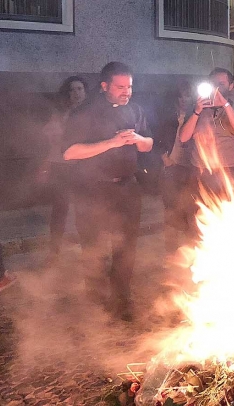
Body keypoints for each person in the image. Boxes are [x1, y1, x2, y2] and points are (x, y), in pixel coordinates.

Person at [62, 62, 154, 321]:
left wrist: (138, 139)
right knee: (93, 246)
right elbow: (70, 152)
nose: (127, 92)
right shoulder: (85, 112)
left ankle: (122, 299)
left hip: (127, 188)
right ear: (104, 87)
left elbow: (149, 144)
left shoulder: (135, 110)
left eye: (130, 87)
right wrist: (111, 143)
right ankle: (95, 299)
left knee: (127, 247)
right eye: (121, 87)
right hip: (92, 190)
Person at [180, 68, 234, 200]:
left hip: (229, 168)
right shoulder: (197, 105)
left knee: (228, 212)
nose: (216, 87)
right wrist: (197, 111)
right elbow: (183, 137)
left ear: (230, 86)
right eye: (213, 84)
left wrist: (225, 104)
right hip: (200, 169)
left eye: (221, 84)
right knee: (199, 212)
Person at [42, 75, 88, 261]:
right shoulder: (61, 113)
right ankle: (54, 251)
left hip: (84, 167)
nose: (76, 93)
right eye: (72, 89)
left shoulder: (92, 112)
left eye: (79, 89)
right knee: (60, 208)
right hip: (62, 166)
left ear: (85, 92)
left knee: (85, 209)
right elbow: (48, 134)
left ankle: (90, 249)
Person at [155, 81, 197, 254]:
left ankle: (190, 252)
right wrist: (164, 157)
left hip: (192, 167)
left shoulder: (197, 114)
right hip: (172, 167)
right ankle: (171, 252)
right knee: (171, 210)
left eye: (188, 95)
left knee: (191, 209)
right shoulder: (167, 114)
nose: (185, 99)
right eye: (182, 95)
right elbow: (155, 136)